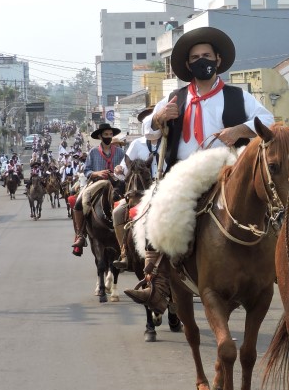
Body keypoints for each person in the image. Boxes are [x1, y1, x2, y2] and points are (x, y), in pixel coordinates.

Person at [124, 26, 274, 304]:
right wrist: (158, 118)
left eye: (207, 55)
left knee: (273, 200)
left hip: (227, 171)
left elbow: (269, 122)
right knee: (154, 208)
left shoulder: (238, 96)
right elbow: (148, 131)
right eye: (195, 57)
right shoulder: (175, 98)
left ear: (218, 60)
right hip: (181, 174)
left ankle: (279, 263)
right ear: (188, 64)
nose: (201, 60)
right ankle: (154, 277)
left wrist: (239, 130)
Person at [111, 107, 161, 271]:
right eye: (148, 121)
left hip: (165, 192)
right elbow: (124, 169)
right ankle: (124, 253)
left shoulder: (172, 141)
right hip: (139, 195)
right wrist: (118, 170)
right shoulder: (136, 144)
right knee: (117, 213)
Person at [70, 122, 126, 256]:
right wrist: (97, 173)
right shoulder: (93, 152)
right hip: (97, 183)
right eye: (106, 134)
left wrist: (120, 170)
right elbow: (87, 170)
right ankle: (80, 235)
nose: (108, 136)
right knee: (78, 203)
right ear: (100, 136)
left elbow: (125, 168)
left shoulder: (120, 152)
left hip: (116, 184)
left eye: (110, 134)